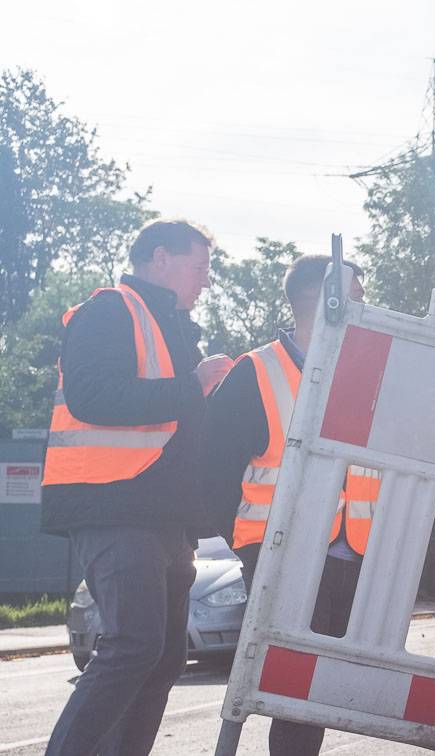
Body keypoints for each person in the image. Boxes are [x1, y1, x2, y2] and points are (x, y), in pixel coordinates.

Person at [41, 219, 234, 756]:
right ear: (160, 258)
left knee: (163, 657)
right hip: (114, 507)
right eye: (200, 267)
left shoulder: (172, 326)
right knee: (133, 646)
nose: (207, 280)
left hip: (164, 517)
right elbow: (92, 396)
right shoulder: (108, 310)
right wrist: (192, 385)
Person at [201, 255, 375, 754]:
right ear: (324, 300)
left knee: (317, 692)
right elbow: (212, 470)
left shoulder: (367, 372)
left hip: (353, 553)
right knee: (293, 690)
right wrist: (249, 545)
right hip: (282, 553)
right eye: (357, 298)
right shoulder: (255, 371)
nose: (366, 310)